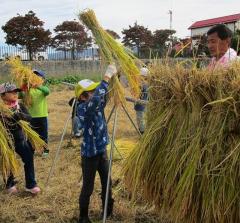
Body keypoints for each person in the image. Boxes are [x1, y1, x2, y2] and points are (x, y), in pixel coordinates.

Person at [76, 64, 117, 223]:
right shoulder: (82, 108)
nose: (95, 93)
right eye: (90, 92)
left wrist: (115, 78)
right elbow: (96, 100)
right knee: (88, 187)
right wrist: (106, 77)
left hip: (102, 151)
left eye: (95, 90)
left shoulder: (97, 103)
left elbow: (104, 95)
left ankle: (108, 210)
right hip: (89, 155)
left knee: (107, 181)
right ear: (82, 97)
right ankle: (83, 216)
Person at [0, 82, 41, 194]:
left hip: (20, 138)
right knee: (8, 162)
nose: (15, 94)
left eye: (16, 91)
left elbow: (29, 118)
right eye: (11, 92)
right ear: (2, 95)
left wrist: (21, 116)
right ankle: (10, 184)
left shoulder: (19, 105)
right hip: (5, 141)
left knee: (28, 158)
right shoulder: (1, 108)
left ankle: (31, 184)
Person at [22, 70, 50, 156]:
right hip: (31, 117)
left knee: (43, 135)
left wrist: (37, 86)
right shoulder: (28, 90)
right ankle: (31, 150)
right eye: (33, 76)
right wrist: (24, 84)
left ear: (43, 79)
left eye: (38, 76)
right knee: (31, 135)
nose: (35, 78)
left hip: (42, 116)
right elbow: (20, 95)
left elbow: (47, 91)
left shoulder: (42, 89)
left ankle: (45, 150)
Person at [134, 66, 149, 134]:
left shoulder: (142, 84)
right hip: (146, 105)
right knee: (144, 119)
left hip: (140, 106)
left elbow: (137, 95)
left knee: (140, 120)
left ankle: (142, 133)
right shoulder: (149, 84)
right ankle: (143, 131)